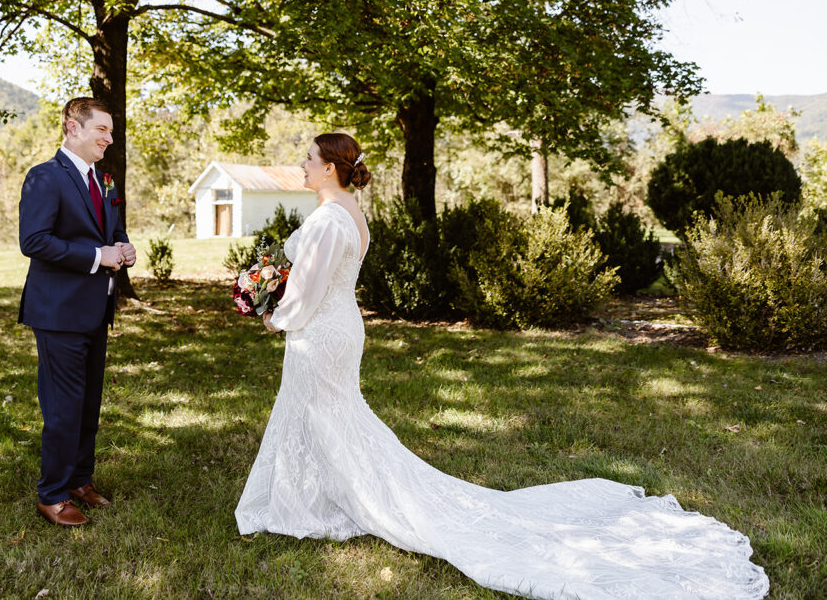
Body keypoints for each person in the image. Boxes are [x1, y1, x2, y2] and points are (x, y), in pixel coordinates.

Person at [235, 133, 769, 598]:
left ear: (330, 167)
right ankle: (321, 501)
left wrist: (274, 315)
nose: (301, 165)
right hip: (341, 327)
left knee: (318, 412)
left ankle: (314, 508)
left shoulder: (330, 217)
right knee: (331, 415)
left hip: (320, 331)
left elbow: (308, 288)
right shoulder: (353, 213)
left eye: (308, 159)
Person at [18, 97, 136, 526]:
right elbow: (34, 241)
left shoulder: (104, 181)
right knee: (64, 406)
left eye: (110, 131)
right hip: (58, 312)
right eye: (101, 130)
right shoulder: (44, 178)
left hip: (95, 310)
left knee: (88, 403)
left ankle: (79, 480)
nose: (109, 138)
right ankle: (51, 494)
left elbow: (111, 232)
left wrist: (123, 247)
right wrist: (97, 256)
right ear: (72, 127)